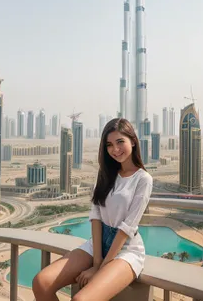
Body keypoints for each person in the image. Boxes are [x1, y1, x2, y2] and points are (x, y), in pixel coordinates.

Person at [33, 118, 153, 301]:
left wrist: (101, 267)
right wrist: (97, 262)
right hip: (96, 245)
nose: (115, 149)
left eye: (120, 141)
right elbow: (96, 215)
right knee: (41, 283)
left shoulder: (143, 179)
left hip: (126, 249)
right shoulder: (105, 174)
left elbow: (127, 227)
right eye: (109, 145)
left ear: (133, 141)